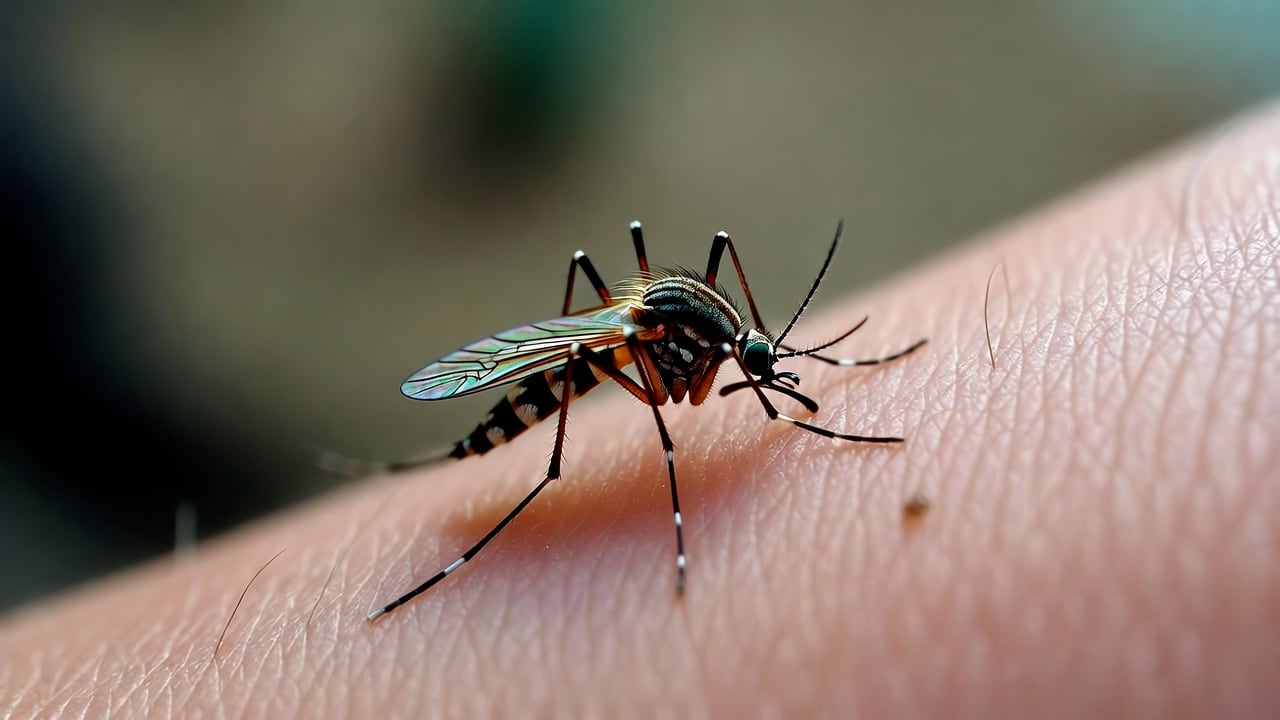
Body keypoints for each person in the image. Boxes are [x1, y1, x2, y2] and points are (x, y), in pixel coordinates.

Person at [2, 105, 1276, 718]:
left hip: (644, 324)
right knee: (608, 405)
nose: (759, 377)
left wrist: (811, 380)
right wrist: (651, 479)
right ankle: (511, 492)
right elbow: (644, 349)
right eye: (765, 365)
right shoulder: (658, 350)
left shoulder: (724, 328)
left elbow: (724, 326)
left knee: (683, 281)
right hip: (581, 358)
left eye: (764, 363)